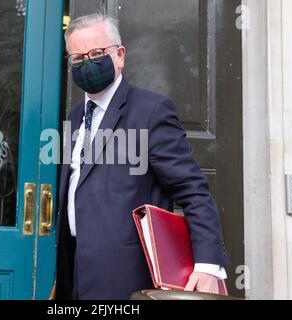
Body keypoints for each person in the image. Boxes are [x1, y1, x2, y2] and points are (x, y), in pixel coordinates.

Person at [55, 13, 230, 300]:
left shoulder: (151, 111)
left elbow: (193, 191)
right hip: (73, 276)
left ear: (120, 55)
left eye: (97, 54)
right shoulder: (74, 118)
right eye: (77, 58)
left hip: (128, 280)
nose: (86, 63)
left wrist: (208, 264)